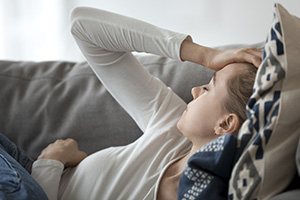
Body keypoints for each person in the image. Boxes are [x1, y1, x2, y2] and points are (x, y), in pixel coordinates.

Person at [1, 6, 262, 200]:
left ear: (225, 123)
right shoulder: (170, 124)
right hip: (18, 170)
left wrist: (50, 163)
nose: (194, 90)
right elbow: (83, 26)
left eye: (208, 88)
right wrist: (206, 55)